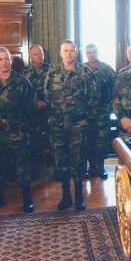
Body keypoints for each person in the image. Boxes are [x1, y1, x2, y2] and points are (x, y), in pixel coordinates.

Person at [44, 39, 98, 211]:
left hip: (78, 126)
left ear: (76, 52)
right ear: (60, 53)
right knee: (61, 161)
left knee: (79, 161)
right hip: (58, 126)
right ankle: (66, 196)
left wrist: (83, 117)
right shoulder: (52, 73)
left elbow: (94, 98)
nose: (69, 53)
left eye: (72, 50)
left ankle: (79, 197)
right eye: (65, 50)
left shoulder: (86, 73)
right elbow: (47, 96)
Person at [0, 47, 36, 213]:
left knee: (23, 166)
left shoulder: (22, 82)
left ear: (11, 60)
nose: (4, 63)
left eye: (7, 59)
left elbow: (32, 107)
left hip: (17, 132)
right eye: (0, 60)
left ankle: (27, 198)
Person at [84, 44, 116, 179]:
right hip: (86, 113)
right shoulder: (82, 69)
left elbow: (116, 89)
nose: (92, 55)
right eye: (89, 52)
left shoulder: (107, 69)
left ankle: (101, 167)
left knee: (102, 141)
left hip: (103, 112)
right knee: (89, 141)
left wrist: (110, 107)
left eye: (94, 52)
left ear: (98, 52)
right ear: (86, 54)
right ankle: (91, 167)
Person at [24, 44, 53, 177]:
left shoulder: (52, 71)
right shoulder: (25, 74)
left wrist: (46, 102)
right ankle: (35, 170)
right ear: (30, 56)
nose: (40, 56)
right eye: (36, 54)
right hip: (33, 115)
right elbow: (22, 96)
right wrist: (35, 103)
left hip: (50, 113)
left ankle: (56, 170)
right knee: (34, 143)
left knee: (53, 142)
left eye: (41, 53)